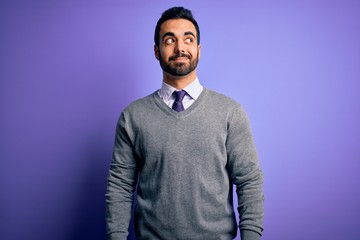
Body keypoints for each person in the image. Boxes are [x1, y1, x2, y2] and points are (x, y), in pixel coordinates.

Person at [106, 6, 264, 240]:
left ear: (198, 50)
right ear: (156, 51)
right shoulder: (133, 116)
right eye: (169, 40)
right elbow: (120, 186)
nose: (180, 48)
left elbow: (249, 181)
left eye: (188, 39)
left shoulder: (231, 113)